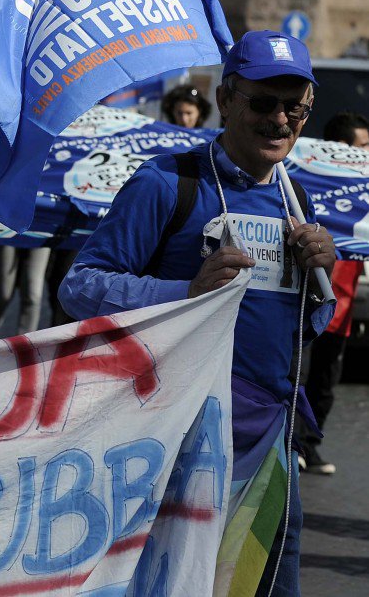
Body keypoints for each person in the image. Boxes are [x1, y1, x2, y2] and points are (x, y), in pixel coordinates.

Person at [59, 30, 337, 596]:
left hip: (268, 452)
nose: (280, 119)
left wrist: (316, 283)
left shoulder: (295, 198)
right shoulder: (168, 184)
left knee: (264, 588)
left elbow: (299, 329)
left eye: (296, 107)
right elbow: (80, 287)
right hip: (175, 445)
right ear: (227, 99)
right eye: (264, 102)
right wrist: (183, 292)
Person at [298, 111, 369, 475]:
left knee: (327, 379)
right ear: (341, 149)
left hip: (342, 307)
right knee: (300, 374)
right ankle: (291, 442)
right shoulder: (308, 184)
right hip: (309, 303)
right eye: (362, 148)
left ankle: (310, 445)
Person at [0, 246, 52, 340]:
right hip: (8, 235)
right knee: (3, 294)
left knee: (33, 296)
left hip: (40, 235)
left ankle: (24, 345)